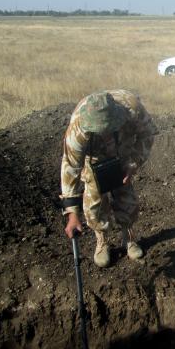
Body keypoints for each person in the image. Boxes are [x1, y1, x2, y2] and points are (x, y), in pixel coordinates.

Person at [60, 89, 157, 267]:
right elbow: (70, 168)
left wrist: (133, 164)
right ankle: (101, 240)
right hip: (94, 159)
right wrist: (72, 214)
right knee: (95, 202)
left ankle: (129, 237)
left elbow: (148, 135)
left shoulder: (132, 108)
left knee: (126, 196)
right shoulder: (78, 129)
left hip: (123, 154)